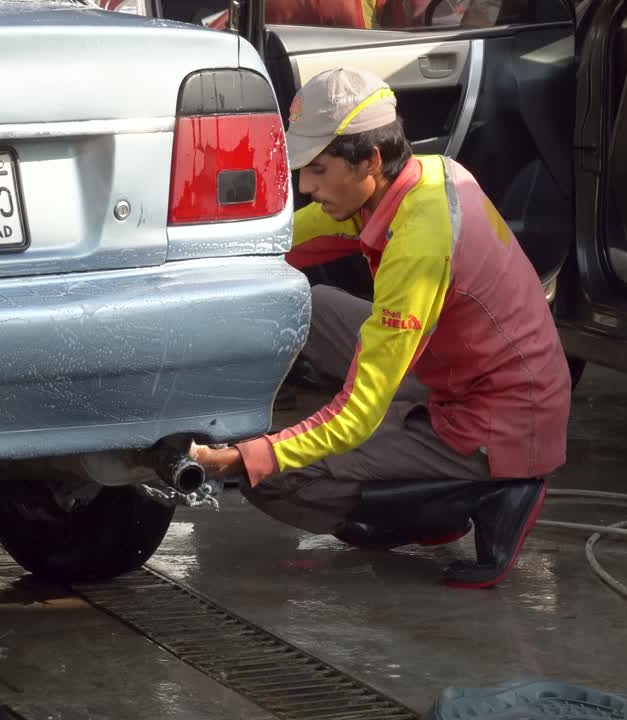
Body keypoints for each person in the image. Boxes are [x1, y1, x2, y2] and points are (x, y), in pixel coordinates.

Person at [191, 67, 572, 589]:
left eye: (319, 171)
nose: (306, 187)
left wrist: (244, 455)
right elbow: (291, 238)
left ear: (370, 160)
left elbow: (356, 413)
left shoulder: (420, 241)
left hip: (501, 423)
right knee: (318, 306)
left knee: (270, 479)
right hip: (477, 373)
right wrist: (205, 262)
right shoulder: (422, 173)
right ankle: (432, 495)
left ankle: (466, 500)